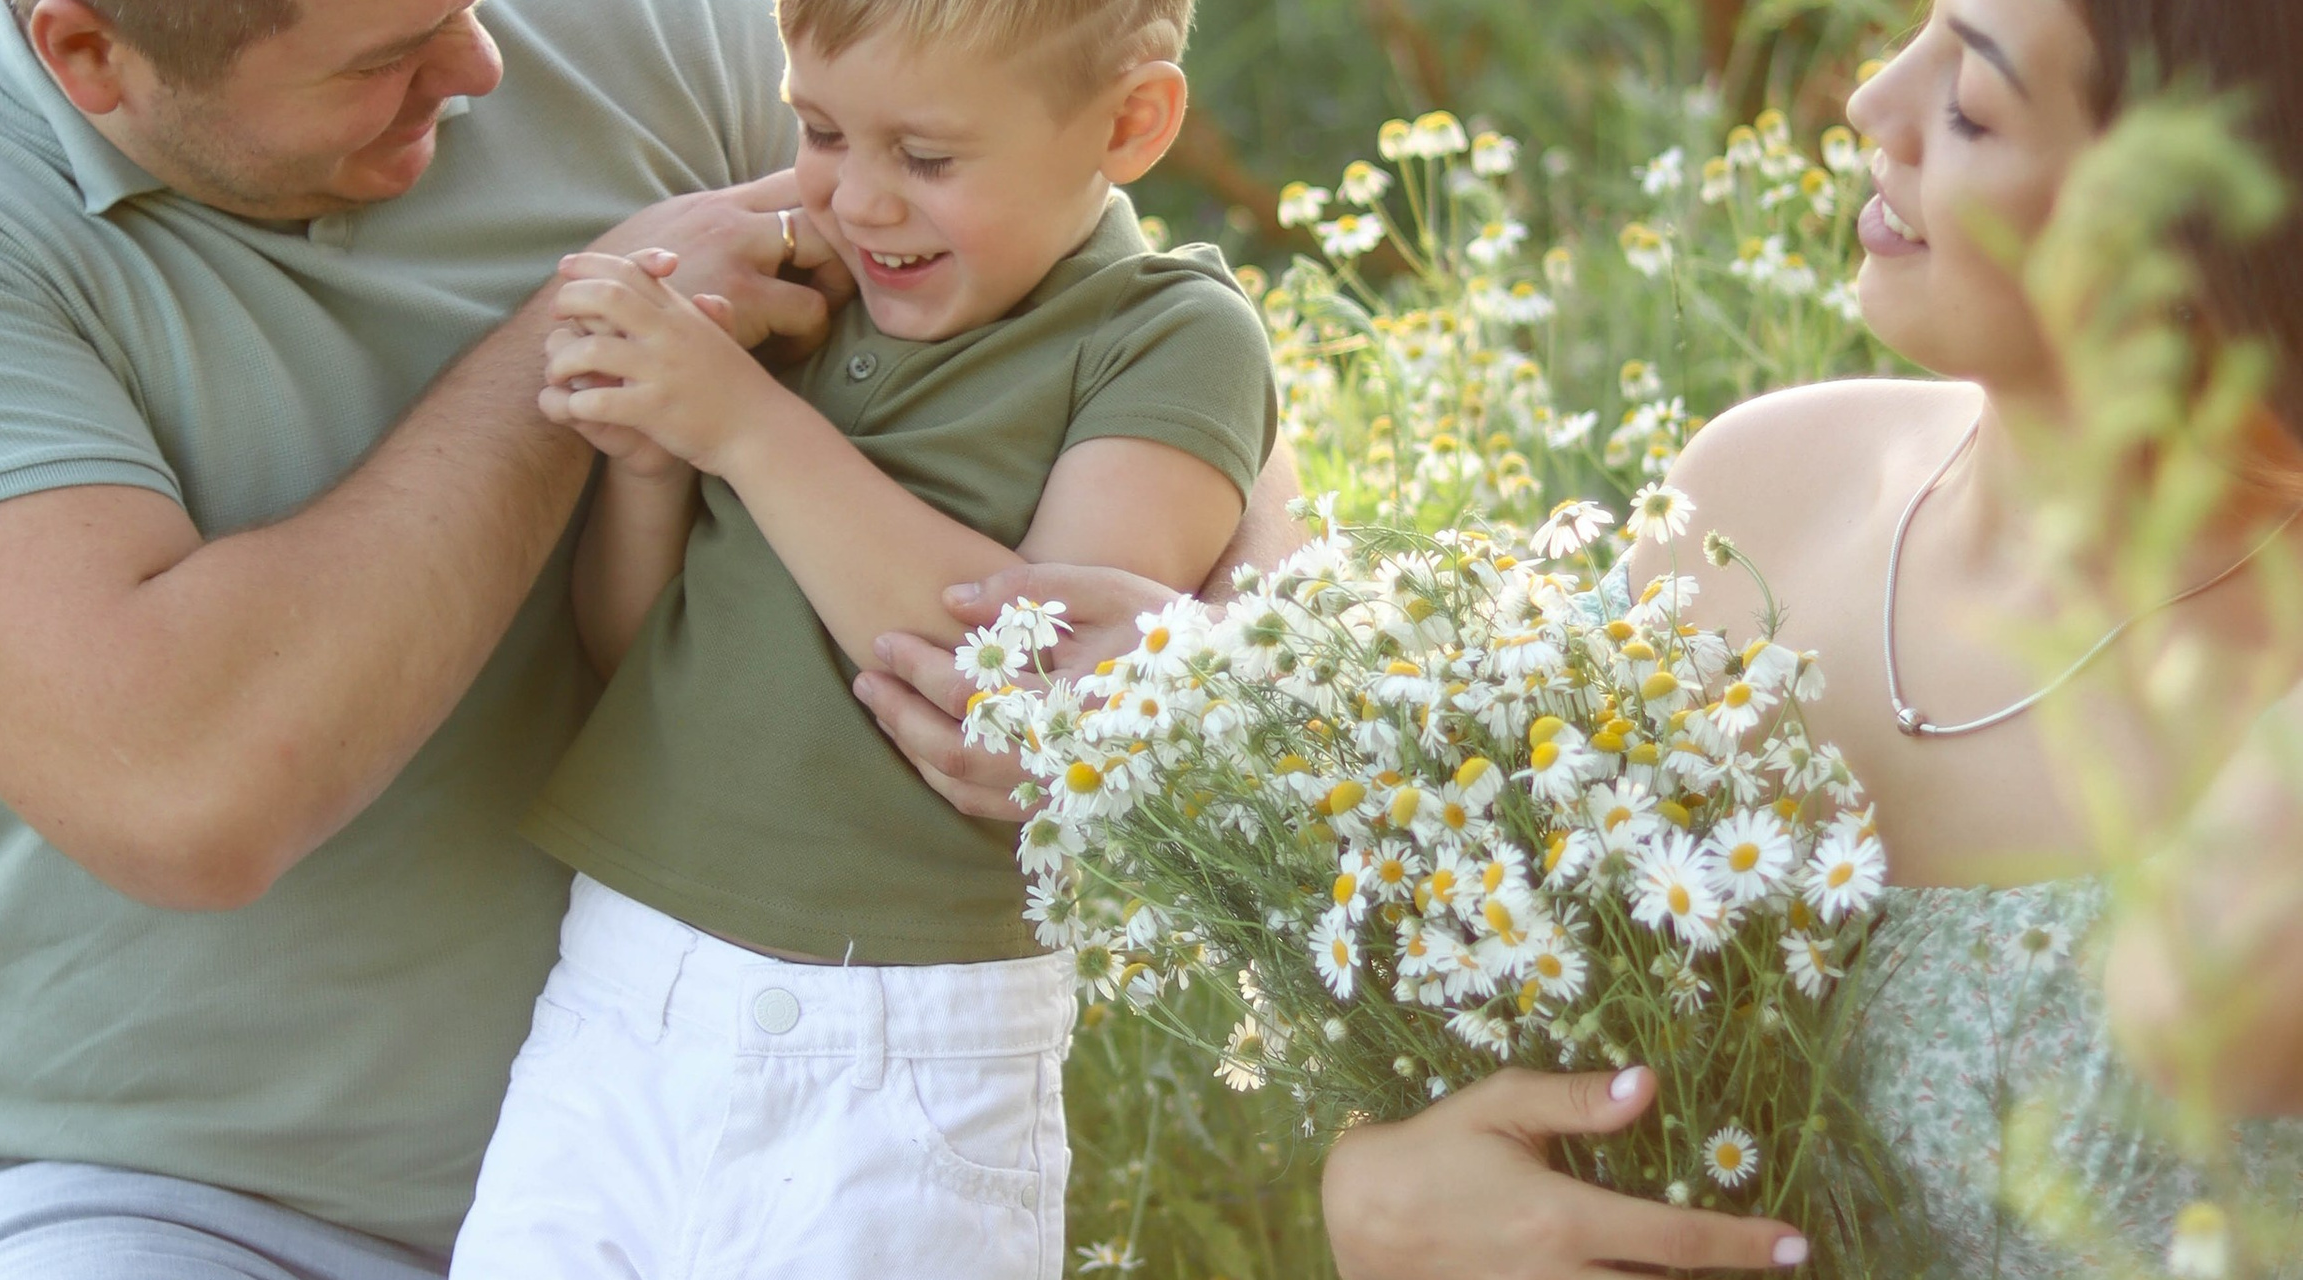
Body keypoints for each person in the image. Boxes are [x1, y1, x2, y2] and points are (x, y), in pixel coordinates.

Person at [0, 0, 1299, 1274]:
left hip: (758, 1096)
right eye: (384, 61)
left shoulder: (623, 34)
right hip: (174, 1202)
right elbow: (192, 787)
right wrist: (585, 337)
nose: (483, 66)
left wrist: (1220, 616)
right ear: (90, 53)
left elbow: (1070, 261)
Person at [860, 0, 2303, 1275]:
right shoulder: (1762, 497)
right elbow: (1506, 1017)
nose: (1870, 102)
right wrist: (1386, 1189)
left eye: (1974, 101)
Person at [441, 0, 1276, 1275]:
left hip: (911, 1040)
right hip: (619, 997)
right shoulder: (807, 302)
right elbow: (639, 668)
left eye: (928, 158)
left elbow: (1024, 677)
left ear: (1130, 123)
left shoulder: (1167, 336)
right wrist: (653, 471)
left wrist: (742, 429)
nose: (860, 200)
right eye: (820, 129)